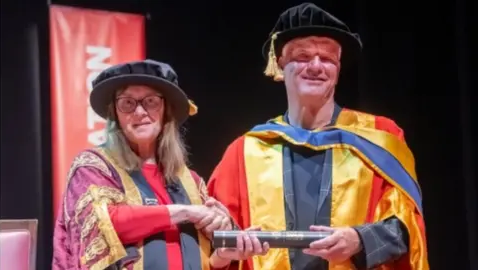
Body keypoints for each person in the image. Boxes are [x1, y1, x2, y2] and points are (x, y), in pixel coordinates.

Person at [207, 3, 429, 270]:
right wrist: (227, 251)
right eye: (303, 56)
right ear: (280, 63)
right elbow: (211, 248)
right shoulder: (243, 153)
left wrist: (360, 239)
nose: (316, 66)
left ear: (337, 69)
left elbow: (405, 228)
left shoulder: (381, 137)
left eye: (327, 59)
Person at [52, 59, 263, 270]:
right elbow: (104, 223)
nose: (140, 112)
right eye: (127, 103)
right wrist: (185, 212)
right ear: (115, 113)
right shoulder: (94, 167)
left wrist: (224, 255)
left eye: (151, 101)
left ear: (166, 111)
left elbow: (206, 262)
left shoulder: (191, 181)